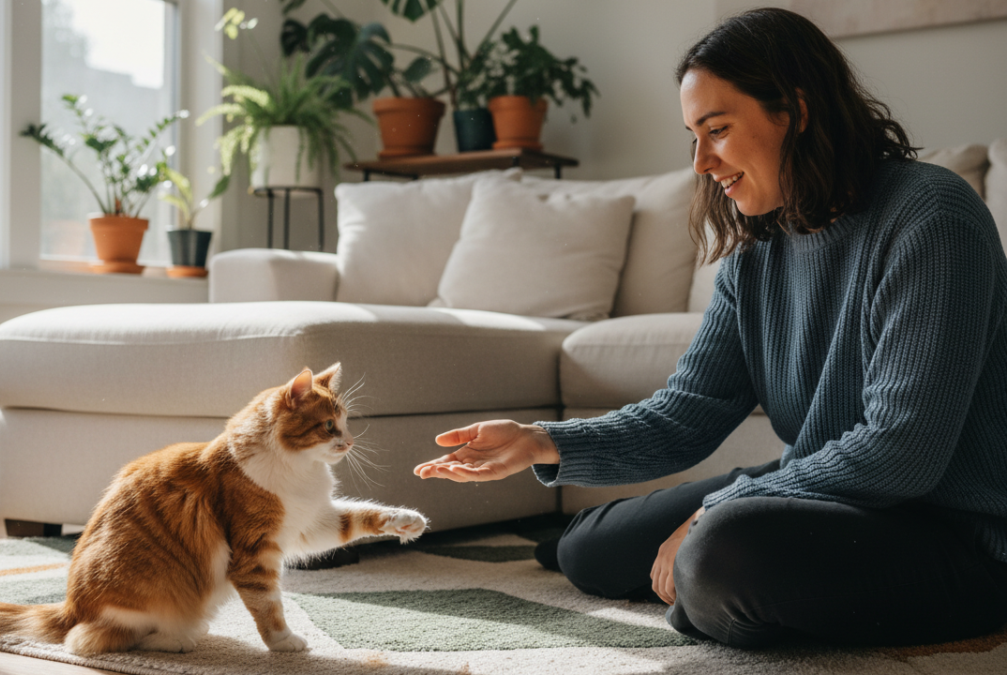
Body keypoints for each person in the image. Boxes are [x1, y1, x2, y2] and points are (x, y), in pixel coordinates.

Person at [414, 7, 1007, 648]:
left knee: (719, 556)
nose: (700, 162)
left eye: (717, 130)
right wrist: (540, 441)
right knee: (588, 550)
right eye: (693, 136)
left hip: (955, 533)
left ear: (796, 111)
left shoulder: (931, 217)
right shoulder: (758, 251)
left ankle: (714, 587)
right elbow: (686, 413)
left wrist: (717, 509)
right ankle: (719, 588)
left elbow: (901, 453)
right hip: (835, 499)